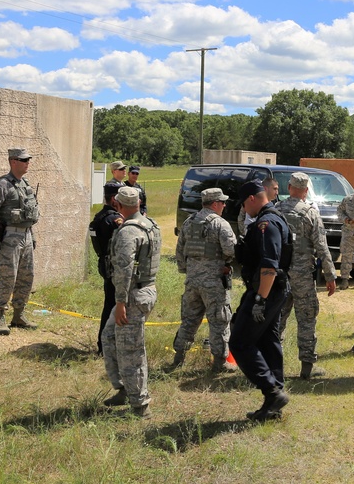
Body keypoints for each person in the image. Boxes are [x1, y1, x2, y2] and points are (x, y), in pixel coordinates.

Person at [230, 179, 293, 421]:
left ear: (252, 199)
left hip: (266, 290)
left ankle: (272, 391)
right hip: (272, 289)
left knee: (240, 342)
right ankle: (273, 401)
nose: (245, 210)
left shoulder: (267, 223)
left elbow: (269, 265)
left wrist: (259, 300)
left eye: (245, 205)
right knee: (268, 340)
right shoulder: (273, 217)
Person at [101, 186, 161, 419]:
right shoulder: (150, 224)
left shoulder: (128, 231)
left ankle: (140, 405)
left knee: (131, 350)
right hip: (144, 291)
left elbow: (124, 271)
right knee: (109, 336)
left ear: (117, 204)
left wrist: (120, 303)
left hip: (132, 296)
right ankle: (124, 388)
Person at [167, 188, 237, 373]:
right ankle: (220, 362)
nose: (224, 205)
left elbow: (180, 250)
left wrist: (188, 270)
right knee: (219, 320)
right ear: (214, 204)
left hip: (192, 281)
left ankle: (178, 358)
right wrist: (226, 264)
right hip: (214, 282)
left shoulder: (189, 222)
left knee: (189, 320)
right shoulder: (220, 224)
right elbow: (231, 250)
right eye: (222, 202)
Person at [278, 172, 338, 379]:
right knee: (306, 320)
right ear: (306, 190)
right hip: (303, 274)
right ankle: (306, 369)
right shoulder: (310, 213)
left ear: (289, 187)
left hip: (280, 275)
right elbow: (322, 246)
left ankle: (274, 366)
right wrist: (330, 276)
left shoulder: (275, 211)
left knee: (277, 319)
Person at [0, 148, 41, 336]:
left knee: (26, 276)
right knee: (7, 277)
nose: (27, 163)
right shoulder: (3, 184)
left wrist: (31, 236)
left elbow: (29, 213)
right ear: (13, 161)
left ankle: (18, 315)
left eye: (28, 160)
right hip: (10, 237)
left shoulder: (25, 184)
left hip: (25, 235)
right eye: (23, 160)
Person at [89, 181, 124, 354]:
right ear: (113, 199)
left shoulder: (99, 217)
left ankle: (103, 345)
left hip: (104, 264)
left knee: (109, 304)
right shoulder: (114, 220)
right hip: (114, 267)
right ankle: (106, 346)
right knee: (113, 305)